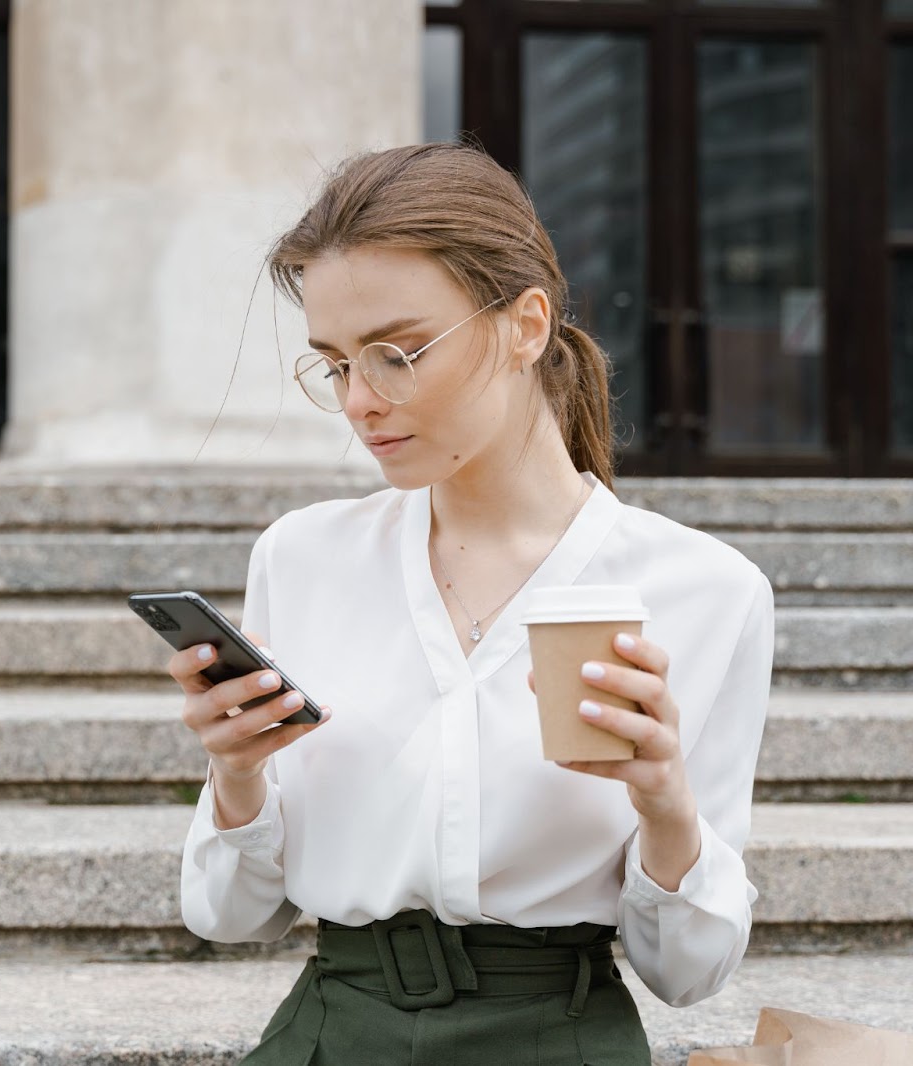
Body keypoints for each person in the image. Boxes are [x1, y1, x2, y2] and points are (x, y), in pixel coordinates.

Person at [166, 142, 775, 1065]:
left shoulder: (703, 591)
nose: (360, 401)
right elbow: (228, 915)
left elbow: (688, 972)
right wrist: (237, 775)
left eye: (399, 354)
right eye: (334, 365)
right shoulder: (304, 559)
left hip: (558, 1039)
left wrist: (665, 805)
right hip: (331, 1034)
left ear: (526, 325)